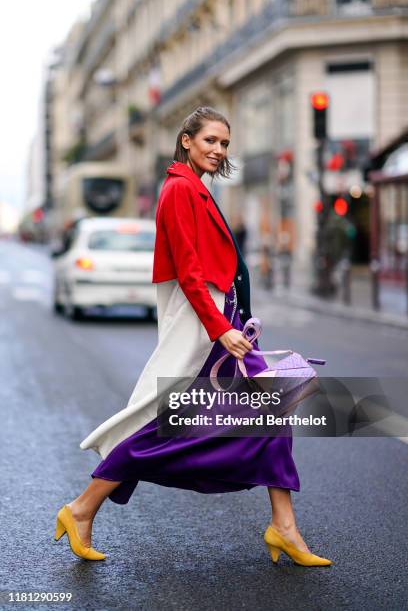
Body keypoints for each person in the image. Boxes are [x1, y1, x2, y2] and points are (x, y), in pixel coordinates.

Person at [54, 107, 332, 567]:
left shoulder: (196, 187)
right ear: (186, 140)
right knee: (168, 426)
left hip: (228, 323)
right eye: (210, 141)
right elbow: (188, 271)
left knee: (273, 411)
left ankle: (284, 526)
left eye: (224, 143)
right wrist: (220, 329)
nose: (219, 150)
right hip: (210, 330)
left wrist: (231, 321)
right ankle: (81, 508)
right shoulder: (180, 189)